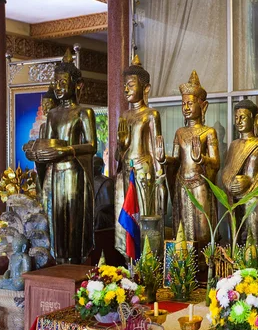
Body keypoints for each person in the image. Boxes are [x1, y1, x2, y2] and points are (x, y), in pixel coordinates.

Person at [25, 49, 97, 264]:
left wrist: (68, 150)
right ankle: (58, 260)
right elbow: (47, 145)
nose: (58, 87)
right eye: (55, 83)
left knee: (73, 218)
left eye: (63, 82)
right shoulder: (52, 115)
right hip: (54, 173)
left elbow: (92, 145)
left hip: (74, 172)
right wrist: (35, 151)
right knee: (55, 218)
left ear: (77, 85)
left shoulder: (84, 112)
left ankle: (75, 260)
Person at [162, 71, 220, 254]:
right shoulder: (180, 132)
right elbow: (175, 158)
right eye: (183, 104)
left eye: (190, 103)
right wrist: (163, 158)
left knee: (202, 230)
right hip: (182, 183)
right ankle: (186, 264)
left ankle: (204, 263)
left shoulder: (209, 132)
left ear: (203, 106)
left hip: (200, 182)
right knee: (184, 228)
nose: (186, 107)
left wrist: (202, 159)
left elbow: (216, 162)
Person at [114, 55, 165, 256]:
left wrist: (159, 174)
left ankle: (146, 262)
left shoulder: (151, 115)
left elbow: (155, 148)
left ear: (146, 89)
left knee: (144, 218)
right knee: (126, 218)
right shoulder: (124, 116)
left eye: (131, 85)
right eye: (125, 85)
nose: (126, 89)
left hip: (143, 173)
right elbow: (119, 155)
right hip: (126, 172)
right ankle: (128, 262)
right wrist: (121, 144)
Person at [222, 99, 258, 252]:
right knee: (237, 235)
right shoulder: (234, 145)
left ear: (255, 119)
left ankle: (256, 270)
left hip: (255, 197)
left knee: (254, 235)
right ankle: (237, 269)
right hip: (235, 197)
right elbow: (226, 169)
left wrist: (250, 183)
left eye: (243, 117)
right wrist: (230, 183)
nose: (239, 121)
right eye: (236, 117)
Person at [94, 156, 114, 230]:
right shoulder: (89, 182)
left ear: (99, 168)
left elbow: (109, 205)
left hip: (103, 218)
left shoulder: (107, 183)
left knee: (97, 215)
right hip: (95, 215)